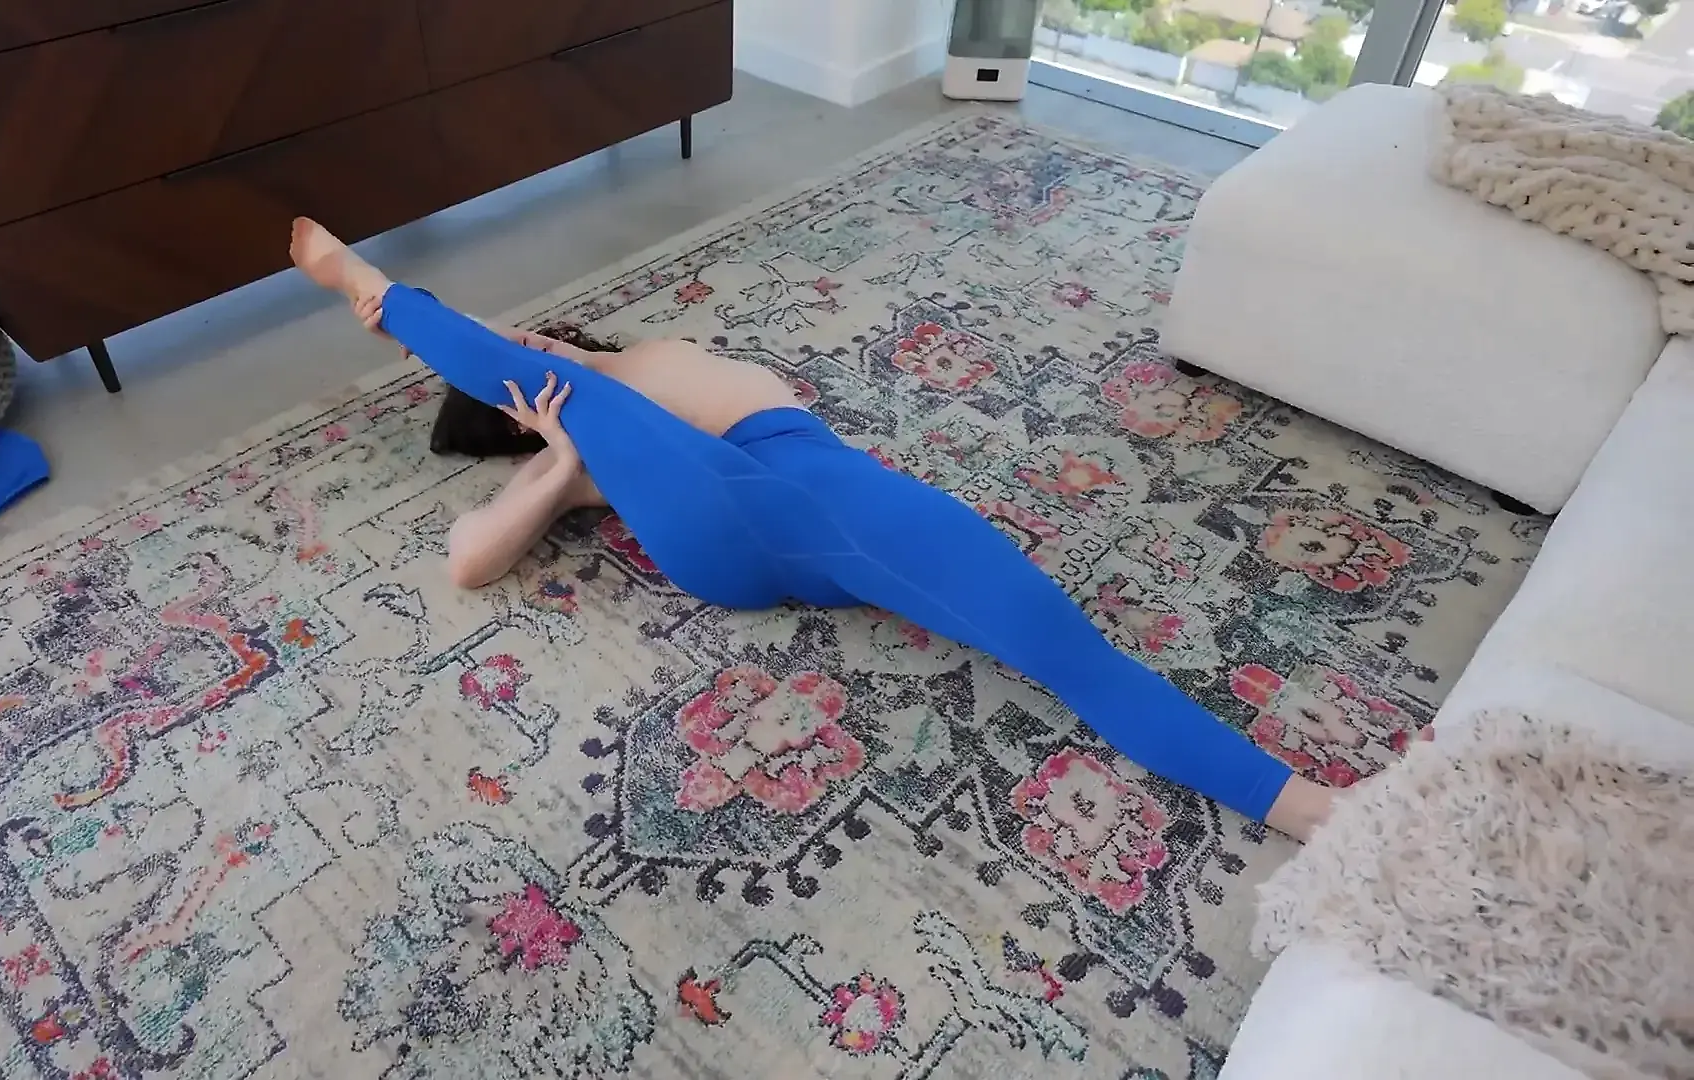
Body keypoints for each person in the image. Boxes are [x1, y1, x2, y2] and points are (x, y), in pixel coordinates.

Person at [289, 217, 1363, 841]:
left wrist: (568, 395)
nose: (526, 351)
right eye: (507, 378)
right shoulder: (584, 439)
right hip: (721, 534)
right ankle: (370, 289)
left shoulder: (651, 359)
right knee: (585, 409)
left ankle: (1311, 811)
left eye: (522, 342)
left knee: (1059, 644)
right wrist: (561, 459)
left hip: (831, 514)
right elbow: (468, 560)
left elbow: (538, 358)